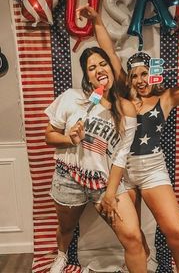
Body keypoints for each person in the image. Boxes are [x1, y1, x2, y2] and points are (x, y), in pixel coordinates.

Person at [77, 4, 179, 273]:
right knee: (133, 235)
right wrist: (97, 21)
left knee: (177, 231)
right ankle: (142, 261)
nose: (140, 79)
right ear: (129, 78)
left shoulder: (165, 98)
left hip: (152, 171)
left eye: (145, 73)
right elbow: (111, 53)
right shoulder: (125, 96)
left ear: (154, 73)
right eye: (135, 75)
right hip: (122, 172)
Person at [45, 46, 148, 273]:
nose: (99, 69)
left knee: (132, 236)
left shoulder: (126, 108)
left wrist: (110, 194)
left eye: (103, 64)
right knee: (66, 227)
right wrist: (70, 139)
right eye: (92, 67)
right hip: (68, 176)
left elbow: (121, 155)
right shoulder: (72, 98)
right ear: (87, 75)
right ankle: (61, 256)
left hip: (103, 181)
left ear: (111, 68)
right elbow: (48, 136)